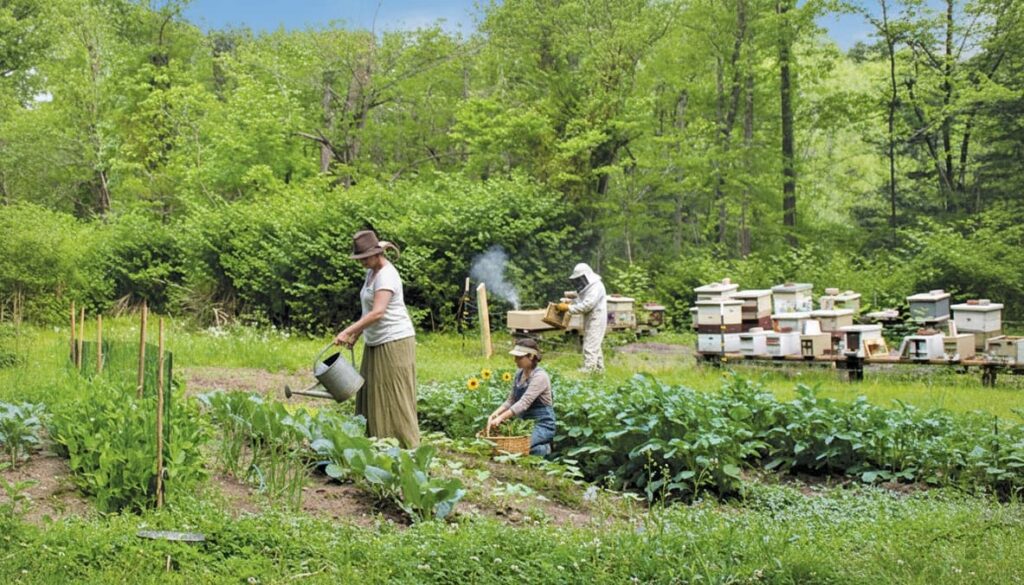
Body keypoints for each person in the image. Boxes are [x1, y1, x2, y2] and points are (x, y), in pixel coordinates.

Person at [334, 230, 419, 448]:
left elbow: (378, 312)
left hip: (394, 341)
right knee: (371, 392)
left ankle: (405, 448)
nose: (361, 262)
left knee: (394, 395)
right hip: (375, 341)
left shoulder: (387, 275)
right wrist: (356, 334)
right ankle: (376, 445)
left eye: (363, 258)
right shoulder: (371, 272)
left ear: (376, 254)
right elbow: (368, 310)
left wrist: (347, 330)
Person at [487, 338, 556, 456]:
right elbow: (511, 400)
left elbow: (524, 403)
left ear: (531, 356)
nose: (515, 361)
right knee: (508, 447)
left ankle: (545, 449)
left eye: (519, 358)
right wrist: (494, 414)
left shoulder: (540, 377)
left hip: (542, 424)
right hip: (525, 424)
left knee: (518, 449)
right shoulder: (519, 374)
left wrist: (500, 419)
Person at [557, 263, 607, 372]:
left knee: (590, 345)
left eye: (580, 278)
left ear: (586, 276)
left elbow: (587, 305)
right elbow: (581, 301)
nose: (579, 281)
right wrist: (570, 302)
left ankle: (588, 371)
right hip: (592, 317)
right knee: (595, 345)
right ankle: (599, 371)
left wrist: (568, 308)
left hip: (596, 318)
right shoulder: (588, 287)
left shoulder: (595, 286)